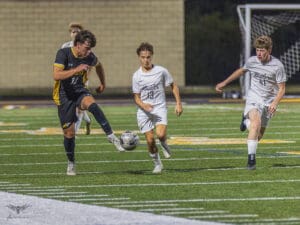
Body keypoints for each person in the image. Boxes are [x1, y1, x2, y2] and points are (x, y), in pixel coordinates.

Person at [53, 30, 124, 176]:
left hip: (79, 90)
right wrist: (75, 70)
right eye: (87, 47)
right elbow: (56, 75)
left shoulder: (89, 56)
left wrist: (103, 83)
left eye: (91, 48)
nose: (89, 51)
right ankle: (71, 162)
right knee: (69, 134)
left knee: (92, 105)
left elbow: (99, 65)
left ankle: (111, 136)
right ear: (78, 45)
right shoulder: (63, 53)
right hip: (64, 96)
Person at [215, 35, 287, 170]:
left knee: (258, 135)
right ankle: (251, 161)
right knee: (256, 124)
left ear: (269, 50)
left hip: (269, 101)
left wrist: (275, 103)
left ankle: (245, 122)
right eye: (257, 50)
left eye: (262, 50)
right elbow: (241, 71)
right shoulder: (252, 61)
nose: (259, 53)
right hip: (254, 98)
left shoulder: (278, 66)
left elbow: (282, 89)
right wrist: (224, 83)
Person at [132, 42, 183, 174]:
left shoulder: (161, 71)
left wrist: (178, 103)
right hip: (144, 111)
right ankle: (157, 164)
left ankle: (164, 143)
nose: (146, 60)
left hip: (159, 108)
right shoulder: (136, 76)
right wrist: (144, 105)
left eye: (148, 57)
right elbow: (136, 97)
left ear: (152, 56)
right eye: (143, 57)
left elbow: (173, 86)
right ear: (139, 57)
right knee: (150, 141)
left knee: (160, 135)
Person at [61, 22, 92, 135]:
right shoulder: (65, 46)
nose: (75, 33)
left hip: (80, 81)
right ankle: (88, 121)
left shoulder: (86, 47)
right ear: (70, 34)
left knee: (79, 108)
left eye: (78, 31)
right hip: (68, 80)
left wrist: (86, 79)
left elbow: (90, 65)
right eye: (73, 31)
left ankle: (75, 133)